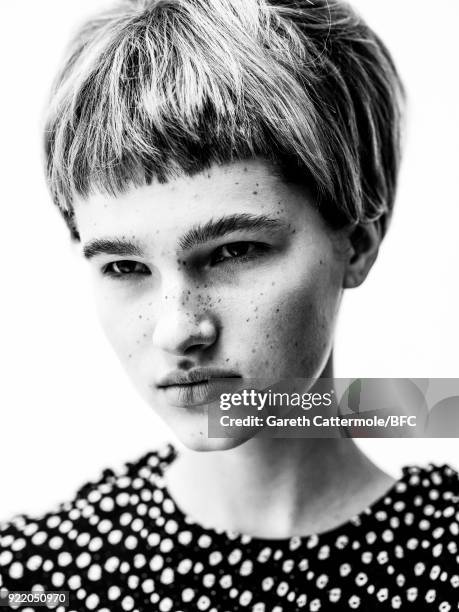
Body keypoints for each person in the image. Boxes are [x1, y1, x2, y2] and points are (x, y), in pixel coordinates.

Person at [0, 0, 458, 610]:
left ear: (358, 242)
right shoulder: (34, 582)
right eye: (125, 267)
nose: (177, 330)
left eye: (233, 251)